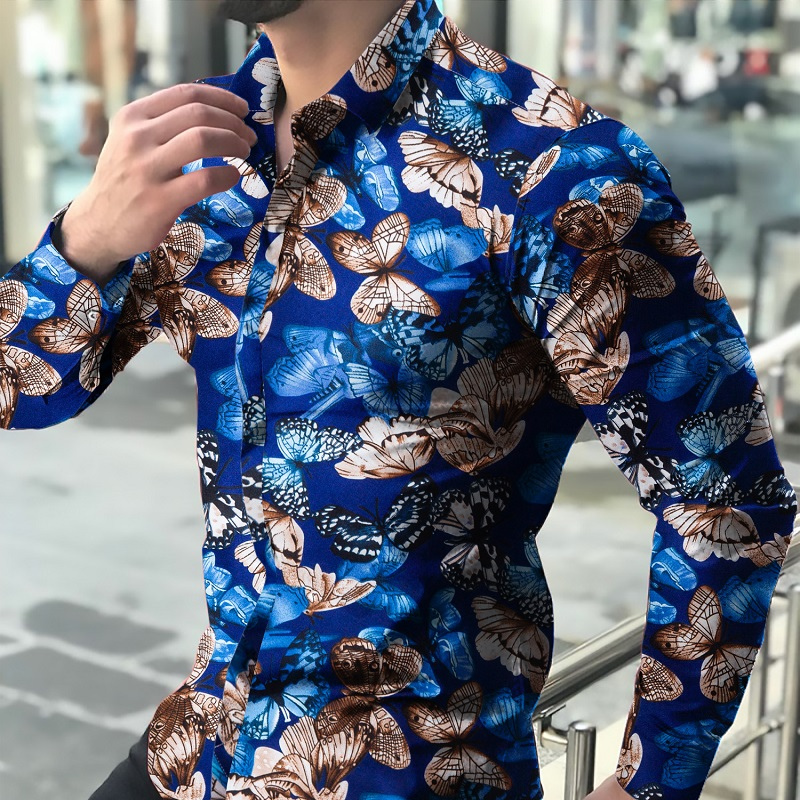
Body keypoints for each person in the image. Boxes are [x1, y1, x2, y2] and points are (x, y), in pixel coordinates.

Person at [1, 1, 795, 799]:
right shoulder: (197, 148)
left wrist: (649, 785)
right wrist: (87, 238)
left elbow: (727, 495)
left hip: (399, 770)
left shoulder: (551, 163)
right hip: (202, 747)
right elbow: (19, 390)